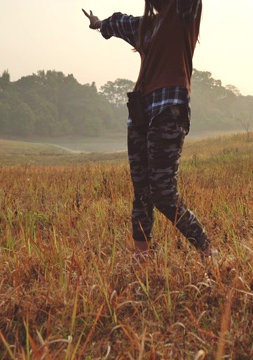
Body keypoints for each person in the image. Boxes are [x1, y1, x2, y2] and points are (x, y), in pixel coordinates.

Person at [83, 0, 213, 261]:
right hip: (141, 112)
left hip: (168, 110)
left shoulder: (181, 12)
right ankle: (143, 257)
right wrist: (98, 24)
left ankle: (208, 251)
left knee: (163, 192)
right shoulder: (145, 26)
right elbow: (116, 23)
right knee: (141, 192)